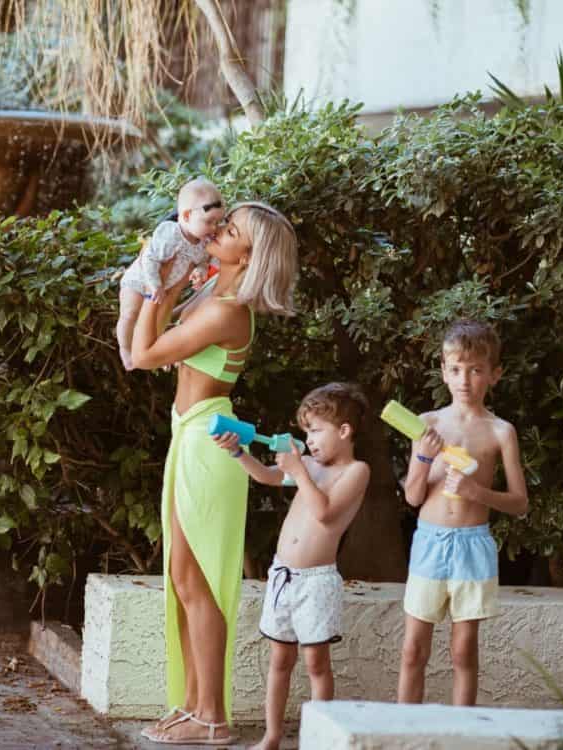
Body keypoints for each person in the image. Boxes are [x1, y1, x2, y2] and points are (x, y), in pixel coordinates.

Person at [132, 202, 298, 745]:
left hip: (207, 444)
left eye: (229, 231)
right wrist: (168, 280)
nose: (216, 231)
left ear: (247, 255)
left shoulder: (229, 311)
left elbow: (144, 353)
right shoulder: (213, 292)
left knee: (197, 583)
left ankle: (212, 717)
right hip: (190, 437)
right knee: (182, 582)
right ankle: (192, 705)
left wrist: (157, 290)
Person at [214, 383, 371, 750]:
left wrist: (300, 470)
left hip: (316, 582)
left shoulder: (356, 471)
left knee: (316, 663)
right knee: (279, 660)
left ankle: (319, 739)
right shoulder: (311, 464)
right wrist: (238, 451)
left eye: (316, 430)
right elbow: (267, 476)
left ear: (344, 431)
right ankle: (272, 736)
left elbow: (326, 513)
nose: (310, 440)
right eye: (306, 433)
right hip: (283, 576)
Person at [397, 318, 529, 706]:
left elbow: (519, 502)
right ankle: (403, 732)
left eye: (475, 370)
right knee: (412, 651)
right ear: (443, 370)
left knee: (463, 651)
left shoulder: (500, 431)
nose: (464, 380)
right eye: (455, 369)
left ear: (494, 374)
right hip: (429, 542)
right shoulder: (427, 424)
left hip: (473, 545)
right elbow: (413, 497)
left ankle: (462, 733)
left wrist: (477, 492)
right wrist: (423, 457)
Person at [116, 177, 224, 370]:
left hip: (164, 289)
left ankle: (157, 351)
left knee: (158, 321)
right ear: (187, 215)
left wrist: (200, 271)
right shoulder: (170, 234)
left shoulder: (203, 241)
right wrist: (154, 285)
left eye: (218, 222)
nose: (215, 228)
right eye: (209, 221)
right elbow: (148, 258)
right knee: (129, 314)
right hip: (139, 282)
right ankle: (125, 349)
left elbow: (203, 262)